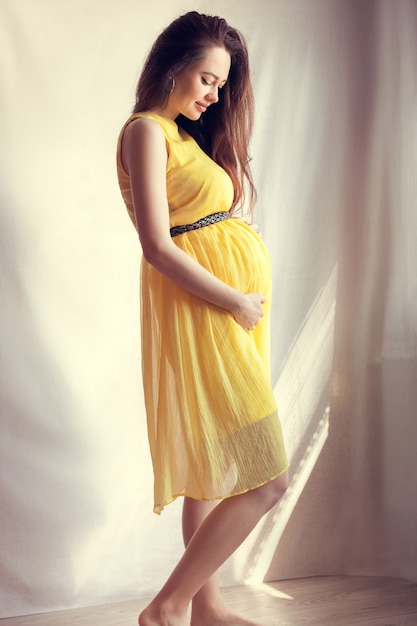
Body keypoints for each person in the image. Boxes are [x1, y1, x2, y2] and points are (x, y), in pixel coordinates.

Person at [116, 11, 289, 626]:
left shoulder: (187, 136)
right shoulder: (147, 131)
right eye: (208, 79)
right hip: (205, 311)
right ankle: (167, 606)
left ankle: (207, 607)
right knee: (268, 478)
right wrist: (235, 299)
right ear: (172, 65)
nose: (214, 94)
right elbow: (158, 246)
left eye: (222, 85)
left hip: (223, 308)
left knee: (215, 472)